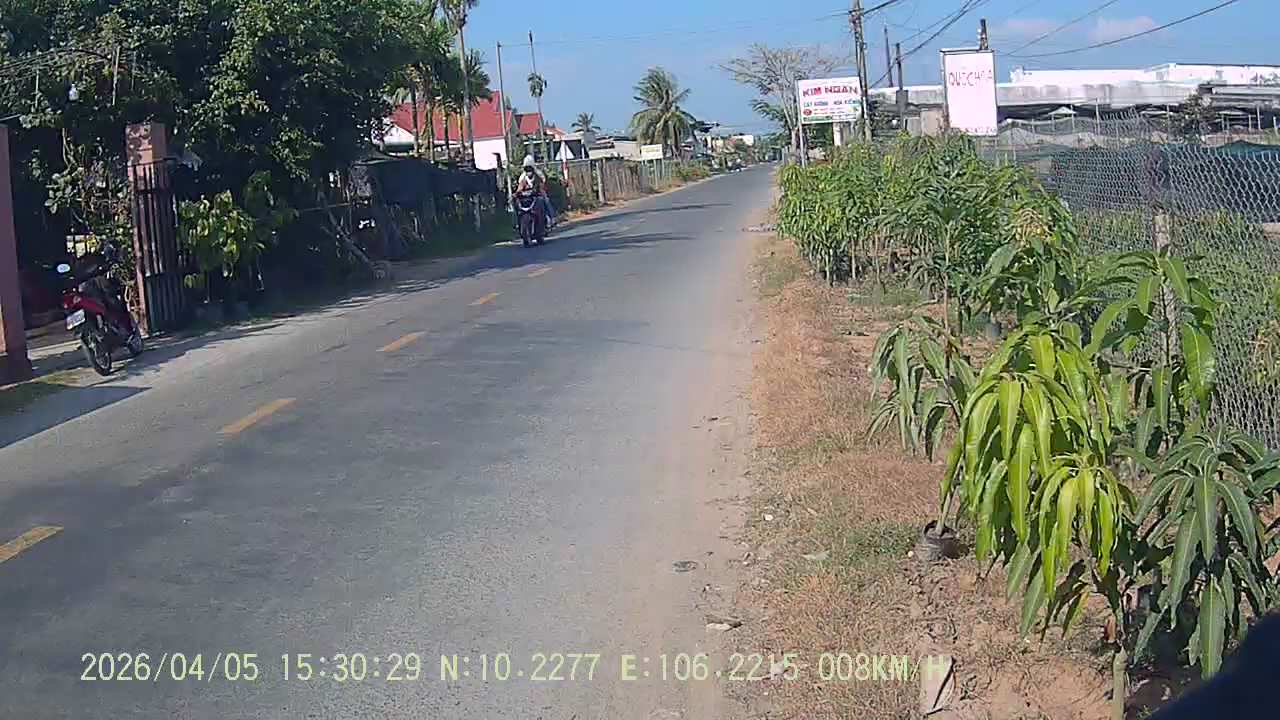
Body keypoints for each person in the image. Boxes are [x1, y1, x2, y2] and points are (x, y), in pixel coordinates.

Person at [515, 155, 555, 231]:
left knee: (545, 200)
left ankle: (551, 218)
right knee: (516, 204)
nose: (528, 172)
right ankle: (517, 223)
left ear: (533, 169)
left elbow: (542, 185)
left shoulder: (538, 176)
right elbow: (519, 188)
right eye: (527, 169)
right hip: (527, 198)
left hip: (537, 196)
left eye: (530, 169)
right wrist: (517, 194)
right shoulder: (522, 178)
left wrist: (540, 191)